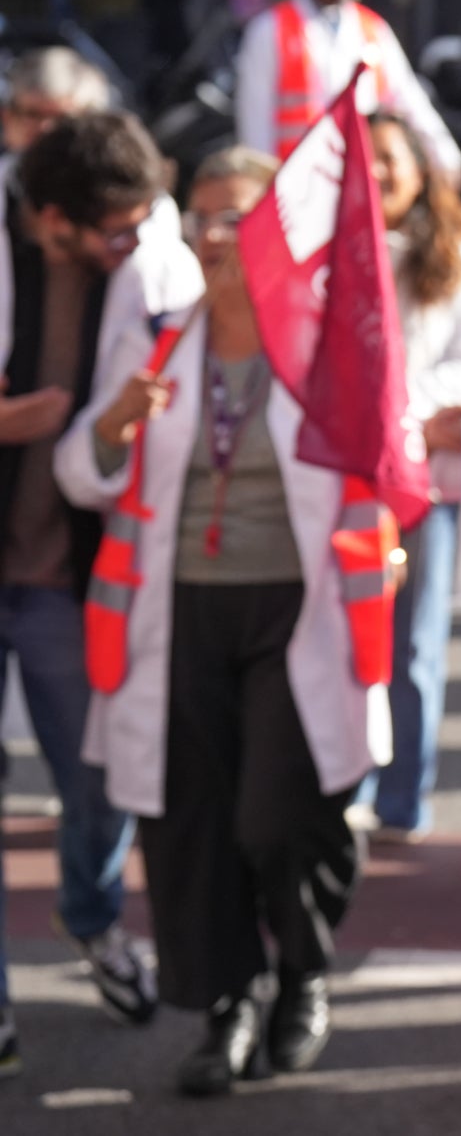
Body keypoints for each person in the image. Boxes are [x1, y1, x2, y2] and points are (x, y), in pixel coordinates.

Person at [58, 148, 391, 1096]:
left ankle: (301, 976)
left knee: (281, 814)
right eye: (199, 217)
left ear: (275, 230)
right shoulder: (157, 334)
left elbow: (387, 457)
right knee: (192, 821)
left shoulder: (324, 339)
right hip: (179, 612)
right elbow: (82, 473)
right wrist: (116, 423)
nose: (212, 236)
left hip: (297, 609)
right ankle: (226, 1005)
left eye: (234, 217)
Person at [0, 112, 195, 1076]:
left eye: (138, 223)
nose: (130, 244)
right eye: (111, 230)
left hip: (68, 575)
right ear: (47, 220)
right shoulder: (20, 249)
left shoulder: (144, 268)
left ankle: (91, 918)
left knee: (98, 781)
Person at [360, 114, 461, 839]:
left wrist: (401, 415)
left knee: (414, 644)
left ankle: (400, 801)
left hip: (427, 488)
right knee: (350, 635)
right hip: (347, 481)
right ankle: (345, 778)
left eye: (391, 158)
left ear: (420, 168)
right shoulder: (331, 251)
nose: (379, 172)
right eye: (366, 158)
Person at [232, 0, 461, 178]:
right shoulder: (270, 29)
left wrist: (444, 155)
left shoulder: (372, 28)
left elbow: (407, 97)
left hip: (361, 177)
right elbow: (254, 117)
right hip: (298, 182)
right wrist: (260, 181)